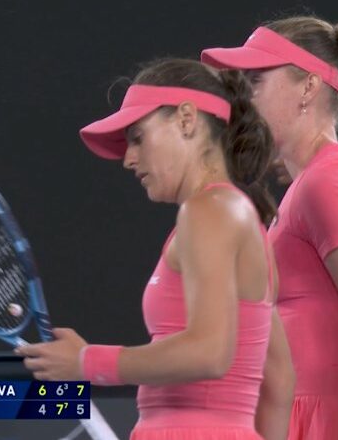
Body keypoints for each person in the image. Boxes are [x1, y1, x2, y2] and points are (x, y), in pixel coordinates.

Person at [16, 58, 295, 440]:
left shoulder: (208, 210)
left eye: (138, 137)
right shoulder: (236, 215)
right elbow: (279, 379)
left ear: (186, 119)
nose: (128, 159)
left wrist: (87, 362)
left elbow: (210, 352)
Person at [201, 16, 338, 440]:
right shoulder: (314, 181)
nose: (242, 99)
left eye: (256, 81)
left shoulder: (330, 180)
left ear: (309, 87)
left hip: (325, 423)